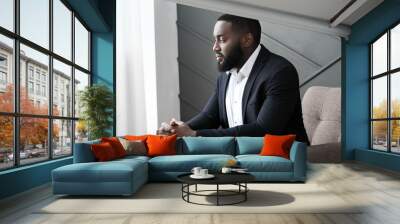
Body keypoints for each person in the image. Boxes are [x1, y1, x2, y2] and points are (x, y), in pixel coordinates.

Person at [158, 14, 309, 145]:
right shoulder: (225, 76)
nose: (215, 47)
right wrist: (177, 130)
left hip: (285, 162)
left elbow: (264, 130)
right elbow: (209, 117)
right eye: (214, 40)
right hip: (240, 160)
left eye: (221, 40)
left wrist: (195, 135)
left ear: (246, 40)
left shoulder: (279, 72)